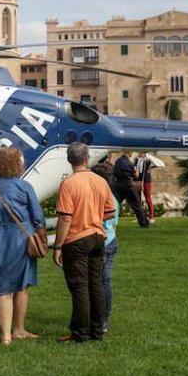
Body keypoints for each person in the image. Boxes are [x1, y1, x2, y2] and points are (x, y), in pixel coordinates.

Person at [0, 146, 45, 346]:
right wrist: (42, 237)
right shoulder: (24, 186)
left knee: (3, 289)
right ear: (17, 164)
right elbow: (38, 218)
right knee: (22, 285)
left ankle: (5, 336)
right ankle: (19, 329)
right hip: (21, 239)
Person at [53, 142, 116, 343]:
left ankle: (80, 332)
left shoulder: (69, 184)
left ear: (69, 160)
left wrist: (58, 246)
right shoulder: (100, 182)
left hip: (77, 239)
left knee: (79, 287)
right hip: (98, 237)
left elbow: (65, 218)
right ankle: (97, 331)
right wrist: (93, 216)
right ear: (87, 158)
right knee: (96, 284)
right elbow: (111, 212)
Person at [90, 161, 120, 334]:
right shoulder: (112, 197)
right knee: (104, 281)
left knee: (101, 281)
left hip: (102, 242)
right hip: (111, 239)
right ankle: (102, 317)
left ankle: (101, 318)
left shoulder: (101, 197)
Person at [113, 150, 149, 228]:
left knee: (114, 204)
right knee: (136, 205)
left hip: (118, 185)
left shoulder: (118, 161)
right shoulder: (129, 163)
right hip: (128, 185)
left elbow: (114, 172)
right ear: (128, 153)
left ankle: (108, 222)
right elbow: (135, 175)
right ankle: (144, 224)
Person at [134, 151, 156, 223]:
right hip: (138, 180)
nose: (139, 152)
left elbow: (155, 164)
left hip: (146, 180)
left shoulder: (148, 159)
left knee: (147, 198)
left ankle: (151, 217)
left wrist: (150, 168)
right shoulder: (137, 159)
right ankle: (139, 217)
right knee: (138, 198)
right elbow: (134, 167)